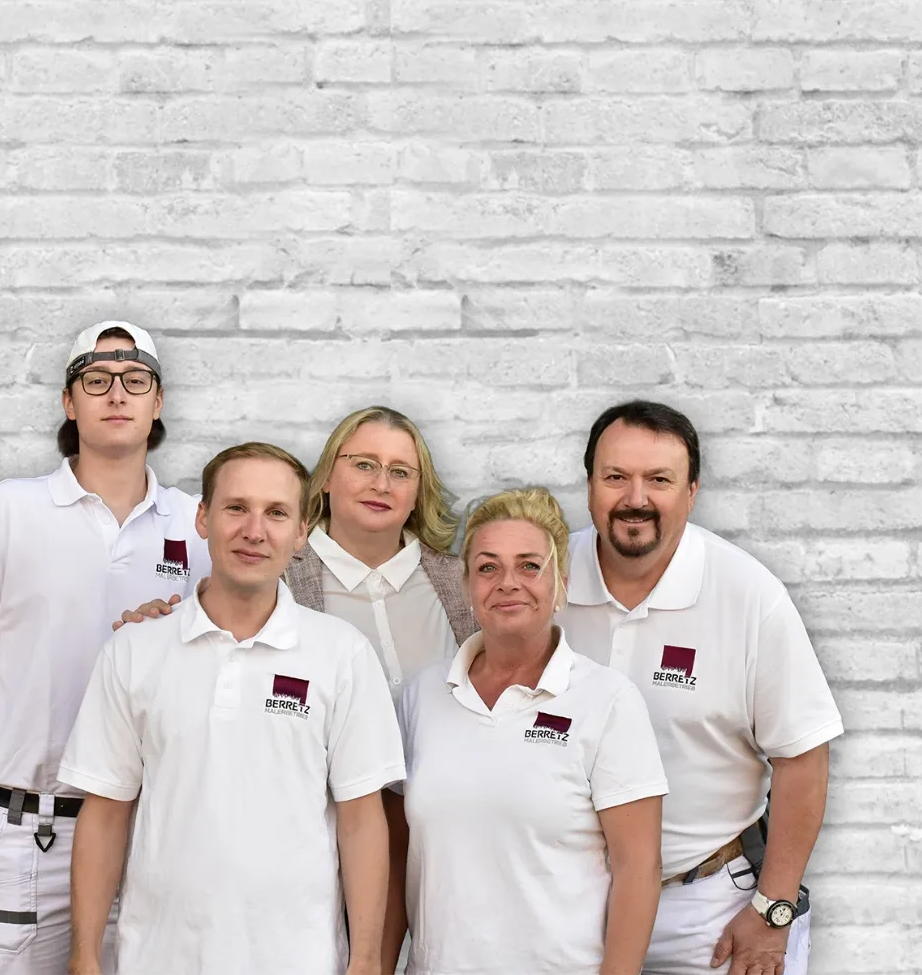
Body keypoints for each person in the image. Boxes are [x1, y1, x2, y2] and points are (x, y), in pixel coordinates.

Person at [0, 320, 210, 975]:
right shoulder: (9, 512)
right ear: (70, 404)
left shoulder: (199, 523)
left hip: (150, 833)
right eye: (95, 381)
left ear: (159, 402)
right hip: (22, 834)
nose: (116, 394)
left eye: (136, 380)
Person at [58, 442, 405, 975]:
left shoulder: (342, 654)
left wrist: (366, 962)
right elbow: (105, 813)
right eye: (236, 508)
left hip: (300, 960)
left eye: (276, 513)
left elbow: (361, 822)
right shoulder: (134, 651)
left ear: (300, 534)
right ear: (203, 518)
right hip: (159, 958)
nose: (254, 530)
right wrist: (84, 957)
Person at [558, 401, 844, 975]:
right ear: (589, 484)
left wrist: (773, 909)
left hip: (705, 909)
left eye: (658, 480)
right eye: (616, 476)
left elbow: (803, 757)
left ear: (692, 491)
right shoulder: (544, 579)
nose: (635, 497)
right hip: (568, 905)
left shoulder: (749, 595)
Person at [386, 487, 667, 975]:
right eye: (488, 567)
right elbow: (392, 857)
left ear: (560, 583)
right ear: (468, 585)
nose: (507, 582)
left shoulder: (607, 701)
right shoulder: (421, 697)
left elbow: (638, 870)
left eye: (529, 566)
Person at [118, 405, 476, 689]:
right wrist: (154, 629)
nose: (381, 484)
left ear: (418, 492)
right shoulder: (268, 570)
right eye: (364, 464)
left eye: (400, 472)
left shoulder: (465, 583)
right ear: (324, 478)